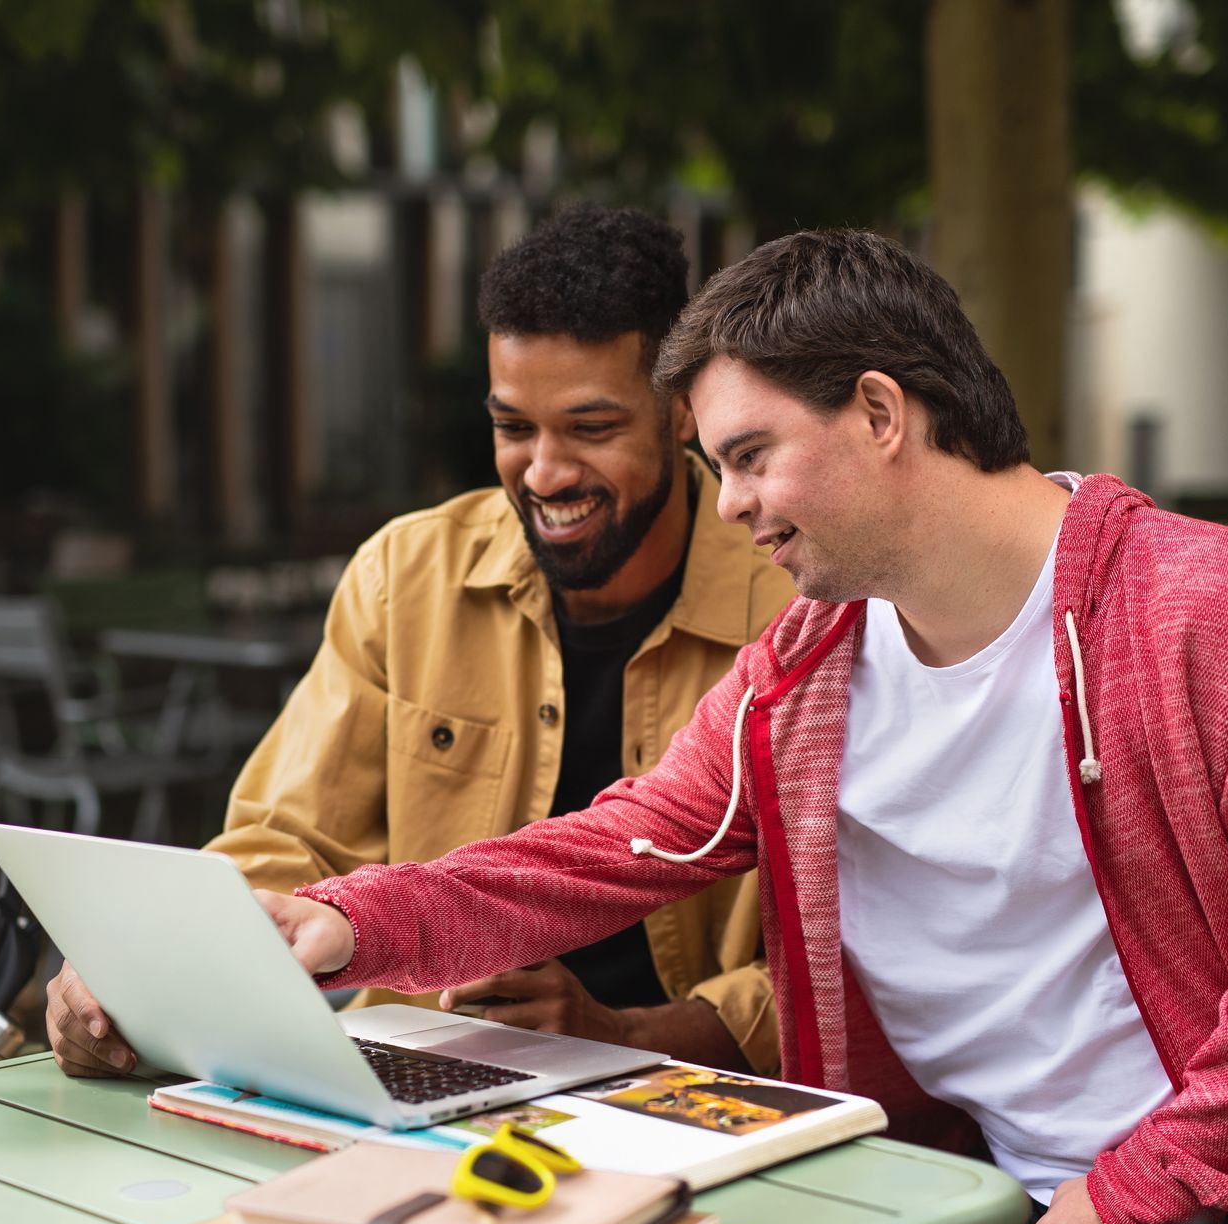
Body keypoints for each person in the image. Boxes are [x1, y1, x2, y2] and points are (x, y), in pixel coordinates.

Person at [261, 230, 1228, 1224]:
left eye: (748, 455)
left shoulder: (1221, 612)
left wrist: (1139, 1184)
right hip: (966, 1191)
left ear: (882, 413)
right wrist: (349, 920)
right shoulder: (807, 670)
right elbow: (606, 847)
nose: (727, 504)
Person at [46, 205, 794, 1080]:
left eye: (591, 429)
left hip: (692, 1104)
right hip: (398, 1082)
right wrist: (148, 973)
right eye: (513, 428)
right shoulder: (407, 575)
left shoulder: (794, 607)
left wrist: (626, 1037)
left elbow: (849, 959)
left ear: (682, 413)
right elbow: (282, 840)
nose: (545, 473)